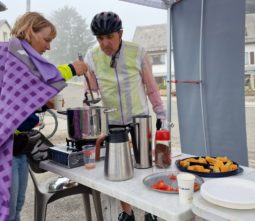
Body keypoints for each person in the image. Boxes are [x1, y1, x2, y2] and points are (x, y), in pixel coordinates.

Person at [84, 11, 166, 221]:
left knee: (146, 166)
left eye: (109, 37)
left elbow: (151, 86)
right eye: (100, 38)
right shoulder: (92, 56)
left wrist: (161, 113)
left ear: (120, 33)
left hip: (139, 117)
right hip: (112, 121)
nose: (105, 43)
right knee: (119, 170)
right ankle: (127, 212)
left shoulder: (137, 51)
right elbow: (91, 91)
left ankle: (151, 211)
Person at [7, 12, 88, 221]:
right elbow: (39, 78)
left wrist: (40, 104)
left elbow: (19, 96)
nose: (49, 47)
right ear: (29, 31)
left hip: (18, 147)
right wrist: (71, 68)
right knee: (6, 211)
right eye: (46, 40)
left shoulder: (21, 57)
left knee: (16, 206)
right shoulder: (10, 54)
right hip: (5, 148)